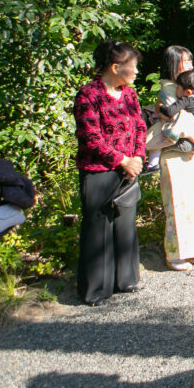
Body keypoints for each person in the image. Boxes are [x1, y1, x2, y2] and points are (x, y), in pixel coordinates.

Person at [74, 39, 147, 306]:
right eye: (133, 66)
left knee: (125, 226)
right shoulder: (88, 94)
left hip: (129, 170)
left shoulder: (129, 94)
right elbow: (90, 137)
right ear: (116, 67)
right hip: (99, 171)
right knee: (98, 228)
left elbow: (140, 127)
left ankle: (125, 280)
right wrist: (122, 160)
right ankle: (96, 289)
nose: (136, 71)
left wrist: (137, 158)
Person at [155, 66, 194, 272]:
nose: (190, 65)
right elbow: (178, 123)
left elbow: (174, 115)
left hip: (190, 150)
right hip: (177, 154)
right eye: (185, 61)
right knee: (179, 206)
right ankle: (177, 253)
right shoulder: (170, 91)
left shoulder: (186, 98)